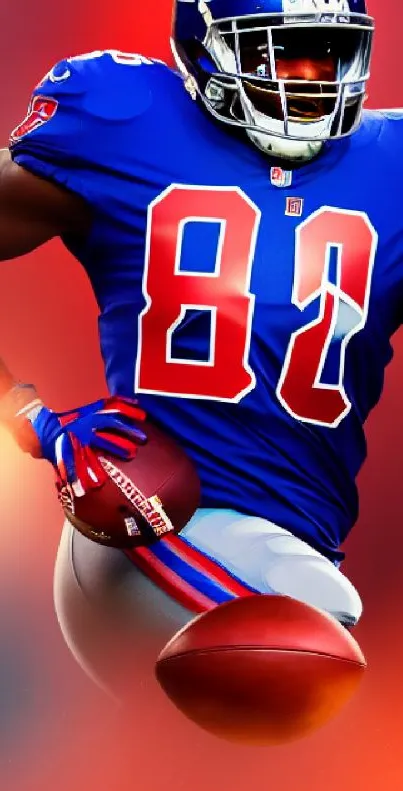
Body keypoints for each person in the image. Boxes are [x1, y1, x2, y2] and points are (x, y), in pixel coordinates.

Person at [0, 0, 392, 693]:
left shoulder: (389, 167)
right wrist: (23, 415)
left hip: (295, 546)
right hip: (141, 518)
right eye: (282, 54)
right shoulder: (125, 121)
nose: (308, 80)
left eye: (327, 55)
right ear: (207, 50)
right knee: (313, 649)